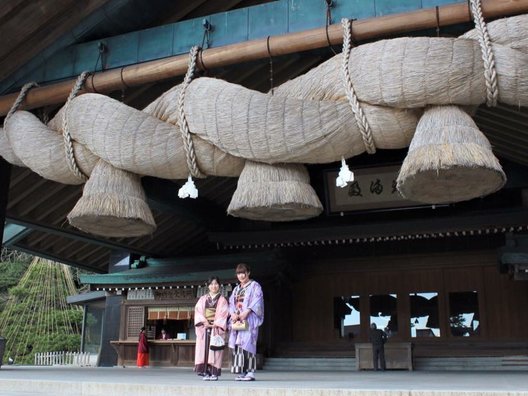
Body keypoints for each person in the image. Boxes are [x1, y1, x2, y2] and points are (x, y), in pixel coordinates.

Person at [228, 263, 264, 381]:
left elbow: (257, 300)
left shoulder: (255, 286)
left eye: (243, 273)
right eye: (239, 273)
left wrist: (247, 311)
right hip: (238, 320)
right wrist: (233, 313)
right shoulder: (236, 289)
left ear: (248, 273)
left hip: (249, 320)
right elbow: (231, 303)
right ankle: (242, 371)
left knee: (248, 345)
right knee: (239, 345)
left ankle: (250, 372)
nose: (241, 276)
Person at [194, 276, 229, 381]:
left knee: (215, 350)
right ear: (208, 286)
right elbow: (198, 312)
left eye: (216, 284)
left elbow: (224, 314)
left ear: (219, 285)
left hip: (216, 328)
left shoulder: (222, 300)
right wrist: (205, 322)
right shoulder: (203, 299)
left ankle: (214, 373)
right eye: (211, 284)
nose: (214, 286)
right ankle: (206, 372)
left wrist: (215, 323)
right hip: (204, 327)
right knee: (204, 350)